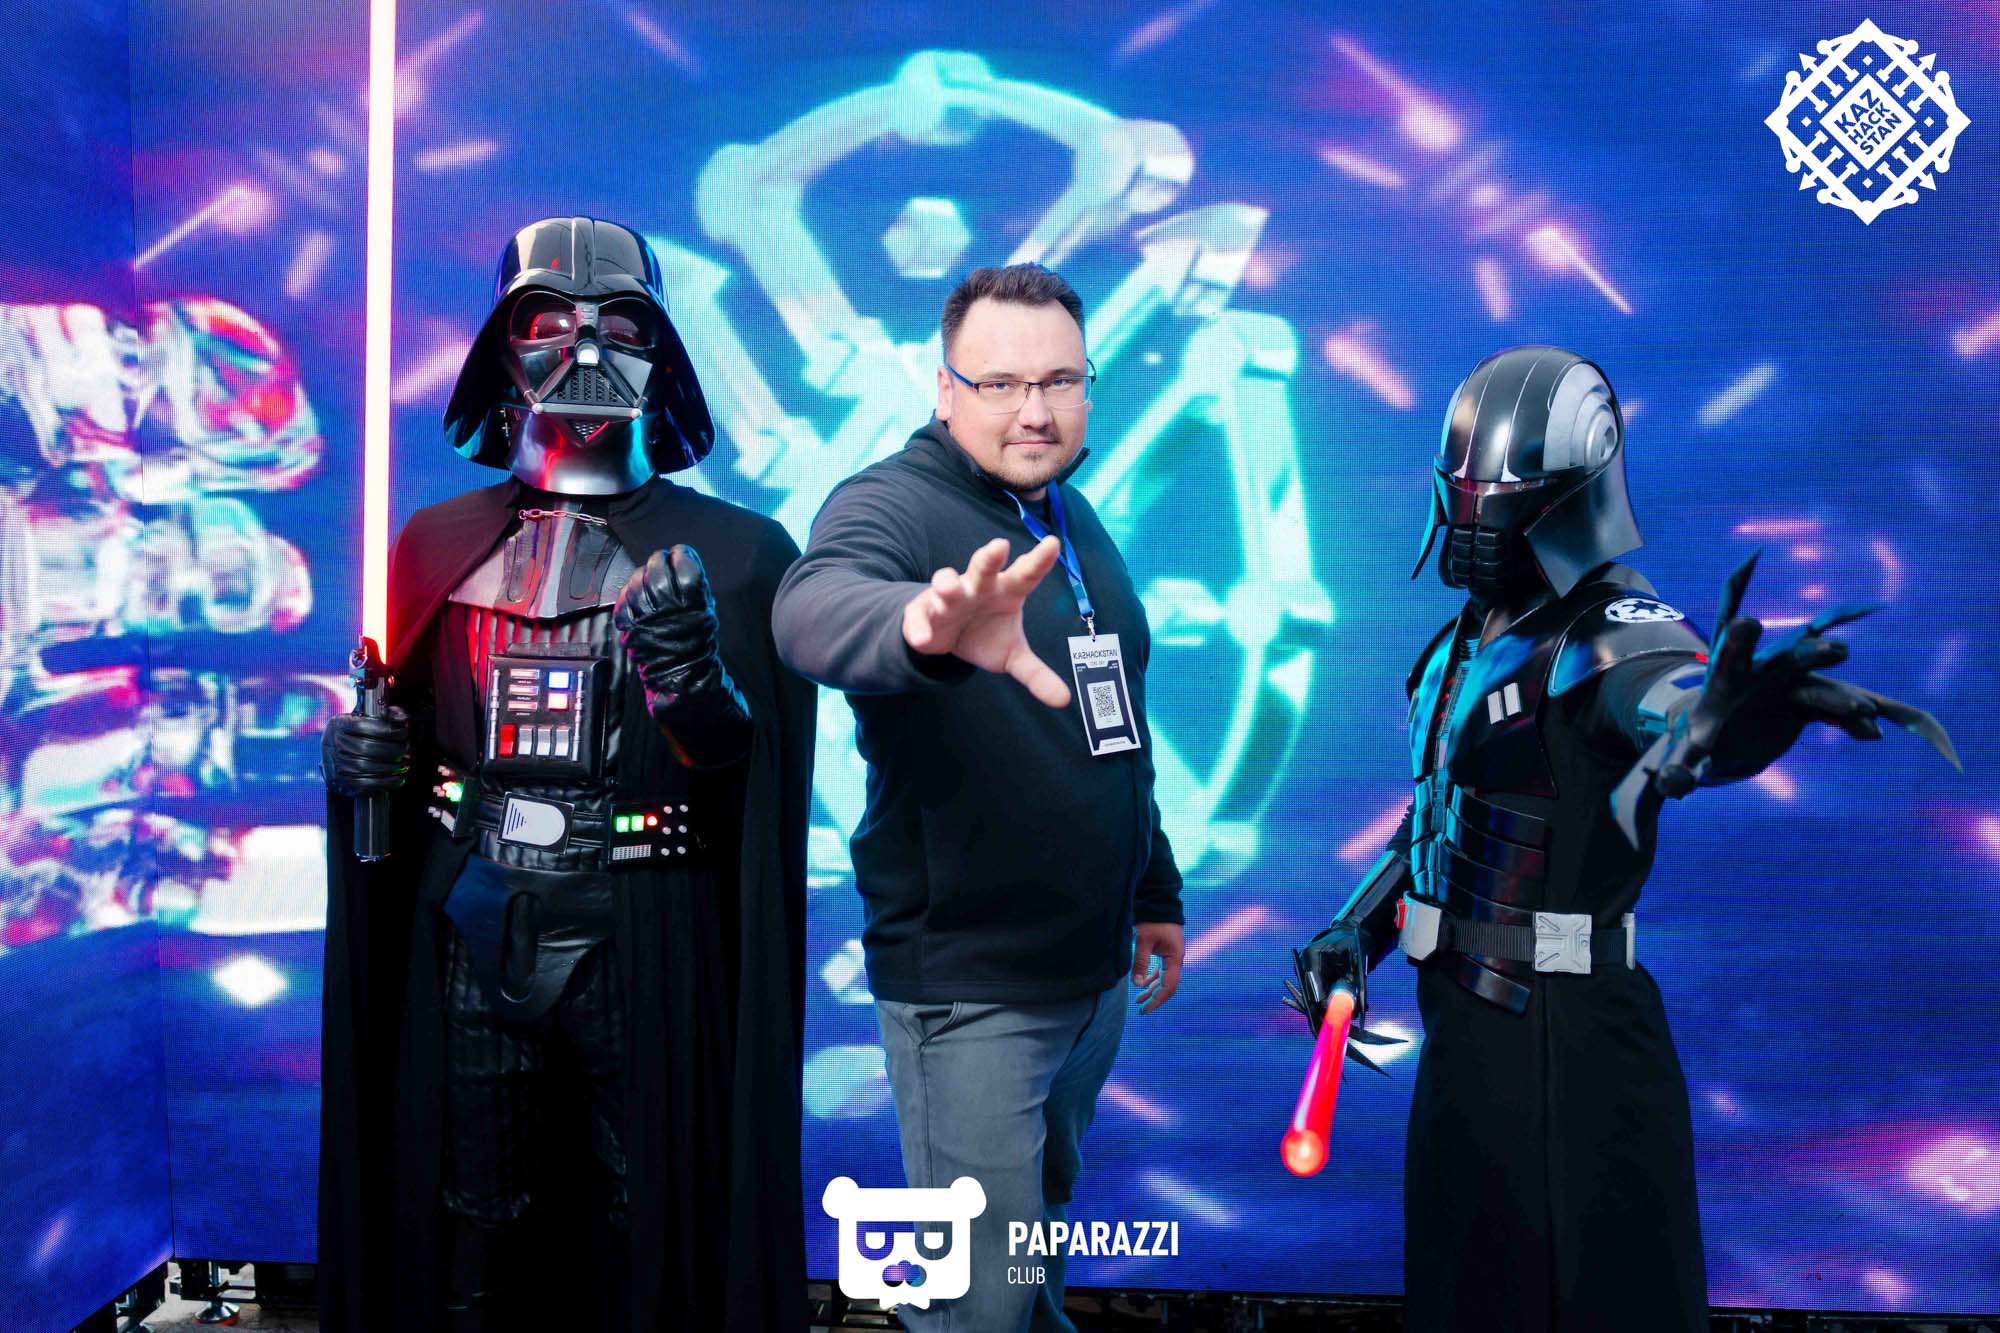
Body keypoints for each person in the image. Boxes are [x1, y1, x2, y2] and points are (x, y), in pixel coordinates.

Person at [1287, 345, 1957, 1333]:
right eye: (1464, 491)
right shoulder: (1459, 643)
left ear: (1571, 493)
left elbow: (1671, 705)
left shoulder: (1612, 631)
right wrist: (1358, 927)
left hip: (1569, 1037)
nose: (1475, 516)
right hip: (1465, 1037)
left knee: (1603, 1298)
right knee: (1462, 1298)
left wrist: (1726, 717)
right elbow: (1440, 816)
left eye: (1501, 495)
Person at [316, 217, 815, 1333]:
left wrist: (692, 684)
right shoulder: (433, 543)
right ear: (502, 350)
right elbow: (400, 744)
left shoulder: (740, 555)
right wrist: (356, 764)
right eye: (549, 321)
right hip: (471, 913)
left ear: (663, 353)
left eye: (619, 325)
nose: (585, 350)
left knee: (651, 1204)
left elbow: (751, 784)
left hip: (644, 922)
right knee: (471, 1208)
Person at [774, 262, 1185, 1331]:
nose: (1034, 410)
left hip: (1090, 980)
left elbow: (1114, 726)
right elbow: (812, 607)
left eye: (1058, 381)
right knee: (976, 1309)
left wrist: (1153, 889)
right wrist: (921, 625)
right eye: (1000, 383)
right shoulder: (889, 504)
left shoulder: (1067, 515)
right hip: (972, 998)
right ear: (944, 389)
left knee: (1029, 1271)